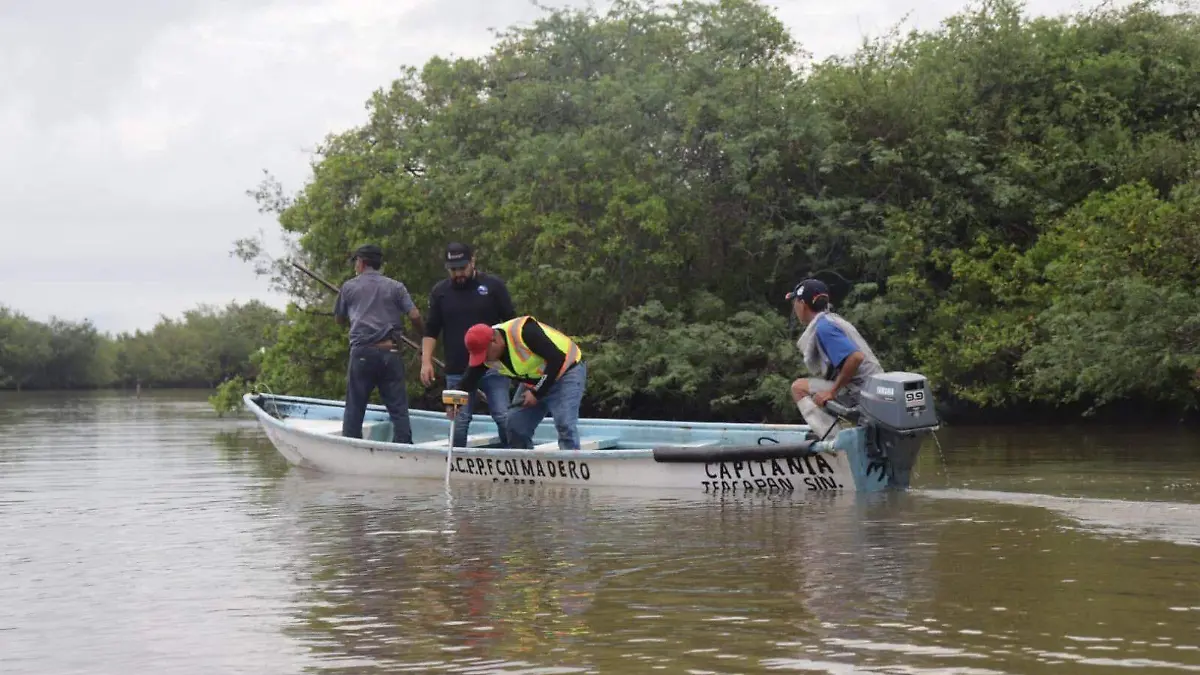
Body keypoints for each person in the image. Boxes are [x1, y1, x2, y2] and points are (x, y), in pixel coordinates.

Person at [420, 242, 518, 448]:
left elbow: (512, 324)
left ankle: (515, 454)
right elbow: (431, 329)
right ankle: (457, 463)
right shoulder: (440, 292)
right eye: (453, 270)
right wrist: (426, 361)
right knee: (459, 421)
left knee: (502, 415)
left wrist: (512, 359)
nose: (458, 274)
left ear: (473, 261)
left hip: (493, 366)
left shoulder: (493, 286)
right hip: (457, 369)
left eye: (462, 268)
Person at [334, 244, 425, 444]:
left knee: (355, 408)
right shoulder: (396, 287)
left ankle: (350, 450)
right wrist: (423, 337)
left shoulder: (349, 287)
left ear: (362, 262)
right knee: (399, 409)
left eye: (356, 261)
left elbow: (339, 320)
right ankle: (404, 451)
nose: (355, 265)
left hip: (362, 353)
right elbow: (415, 315)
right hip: (390, 352)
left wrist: (352, 312)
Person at [457, 316, 586, 449]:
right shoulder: (487, 352)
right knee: (515, 425)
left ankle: (573, 464)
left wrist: (536, 392)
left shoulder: (524, 331)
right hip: (535, 380)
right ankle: (524, 465)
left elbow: (557, 359)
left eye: (485, 354)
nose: (484, 359)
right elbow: (468, 381)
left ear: (494, 341)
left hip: (567, 371)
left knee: (564, 424)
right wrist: (453, 402)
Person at [786, 278, 884, 438]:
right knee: (816, 392)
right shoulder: (832, 320)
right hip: (873, 389)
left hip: (862, 392)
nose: (794, 308)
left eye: (794, 302)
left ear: (802, 304)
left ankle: (833, 442)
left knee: (799, 388)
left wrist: (832, 391)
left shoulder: (824, 327)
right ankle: (831, 433)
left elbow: (855, 357)